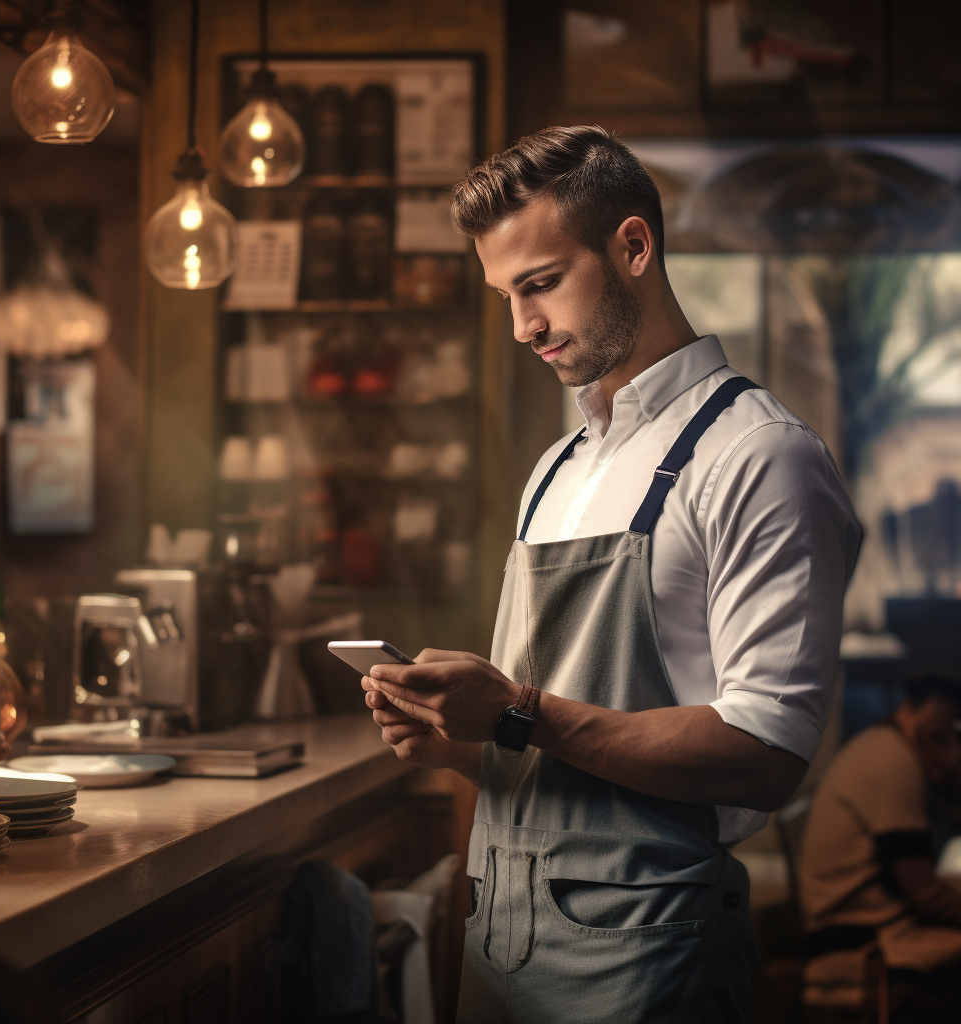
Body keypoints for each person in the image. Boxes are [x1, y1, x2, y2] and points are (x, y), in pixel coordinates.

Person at [361, 125, 862, 1023]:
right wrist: (458, 736)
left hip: (649, 954)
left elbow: (768, 756)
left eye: (541, 284)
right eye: (505, 296)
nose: (523, 326)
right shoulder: (555, 470)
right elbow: (552, 751)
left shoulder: (759, 455)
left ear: (633, 247)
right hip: (500, 948)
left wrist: (516, 711)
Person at [797, 675, 961, 1019]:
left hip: (874, 921)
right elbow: (927, 896)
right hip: (860, 938)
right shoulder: (893, 759)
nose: (952, 744)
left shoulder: (889, 745)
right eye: (947, 733)